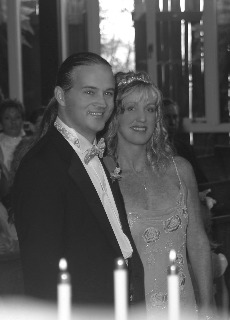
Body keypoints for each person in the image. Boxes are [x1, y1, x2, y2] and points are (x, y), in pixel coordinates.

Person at [12, 52, 145, 307]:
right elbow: (41, 271)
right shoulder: (42, 166)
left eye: (108, 93)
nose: (102, 103)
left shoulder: (101, 154)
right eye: (89, 92)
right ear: (61, 96)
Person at [104, 71, 214, 318]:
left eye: (150, 109)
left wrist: (208, 308)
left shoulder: (180, 169)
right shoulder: (104, 176)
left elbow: (197, 242)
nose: (141, 117)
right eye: (130, 108)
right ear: (114, 116)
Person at [162, 98, 208, 186]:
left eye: (175, 117)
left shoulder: (186, 148)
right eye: (167, 117)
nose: (172, 122)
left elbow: (201, 179)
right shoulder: (152, 150)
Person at [0, 99, 25, 174]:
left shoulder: (31, 143)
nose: (13, 121)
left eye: (17, 117)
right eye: (7, 118)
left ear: (22, 121)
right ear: (1, 123)